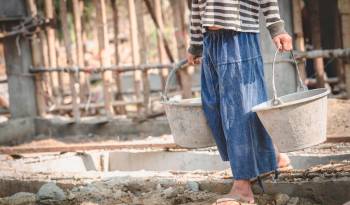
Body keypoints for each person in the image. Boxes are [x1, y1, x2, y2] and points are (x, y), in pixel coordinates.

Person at [186, 1, 292, 204]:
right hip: (211, 40)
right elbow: (198, 5)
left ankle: (243, 187)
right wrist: (196, 43)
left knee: (236, 112)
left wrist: (276, 28)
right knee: (214, 107)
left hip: (238, 38)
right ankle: (273, 157)